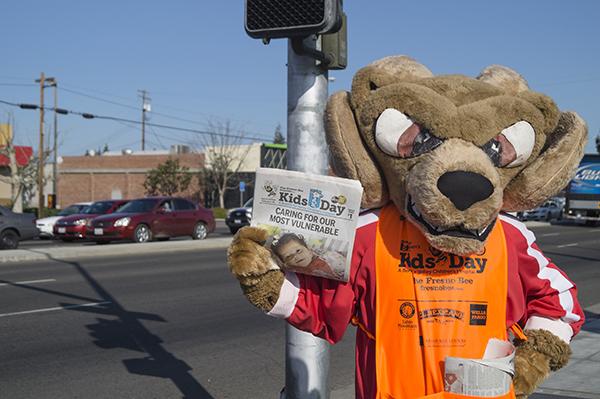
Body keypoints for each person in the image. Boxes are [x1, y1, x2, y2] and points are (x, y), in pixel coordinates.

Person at [271, 233, 344, 279]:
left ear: (309, 250)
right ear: (286, 264)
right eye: (289, 257)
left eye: (298, 251)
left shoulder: (327, 258)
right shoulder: (292, 271)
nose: (296, 256)